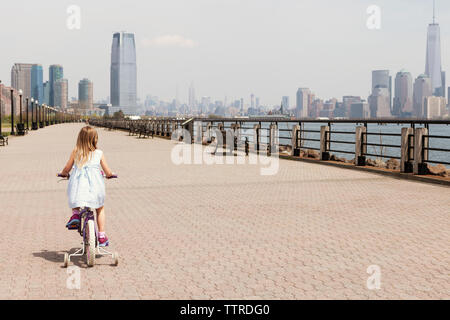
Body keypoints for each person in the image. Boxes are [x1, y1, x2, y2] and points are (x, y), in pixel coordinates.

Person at [59, 126, 115, 247]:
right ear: (95, 139)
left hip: (79, 186)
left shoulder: (76, 152)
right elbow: (107, 171)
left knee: (75, 196)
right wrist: (110, 175)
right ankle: (101, 235)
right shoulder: (99, 153)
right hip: (96, 187)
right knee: (99, 208)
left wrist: (63, 174)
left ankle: (75, 215)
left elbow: (67, 168)